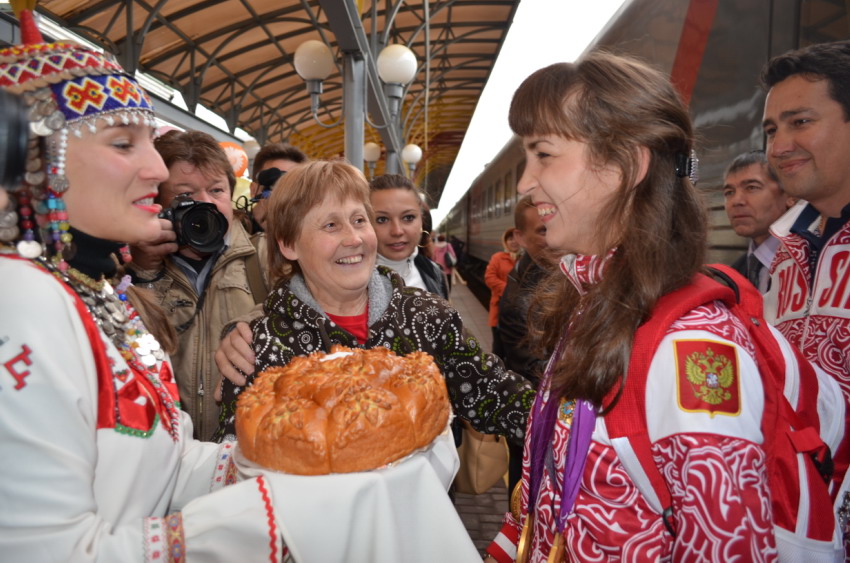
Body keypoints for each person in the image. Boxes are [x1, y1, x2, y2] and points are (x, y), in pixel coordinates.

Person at [484, 53, 843, 562]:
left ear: (626, 164)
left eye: (543, 154)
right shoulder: (594, 305)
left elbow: (725, 546)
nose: (524, 183)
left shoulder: (691, 348)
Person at [0, 15, 288, 560]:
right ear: (40, 160)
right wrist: (272, 519)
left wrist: (289, 459)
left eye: (148, 143)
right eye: (123, 143)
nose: (157, 169)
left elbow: (170, 462)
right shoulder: (20, 298)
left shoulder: (95, 291)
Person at [213, 160, 535, 446]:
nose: (353, 239)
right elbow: (239, 447)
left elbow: (496, 396)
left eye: (359, 220)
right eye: (330, 225)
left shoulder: (427, 317)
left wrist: (573, 430)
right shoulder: (260, 344)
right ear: (288, 244)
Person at [129, 130, 269, 441]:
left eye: (217, 190)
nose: (205, 204)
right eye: (186, 195)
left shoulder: (264, 260)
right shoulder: (126, 271)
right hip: (166, 457)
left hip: (244, 451)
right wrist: (144, 270)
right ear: (157, 204)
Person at [498, 196, 551, 499]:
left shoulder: (549, 275)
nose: (553, 236)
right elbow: (539, 372)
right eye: (543, 230)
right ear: (519, 237)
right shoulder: (523, 299)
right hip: (537, 427)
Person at [722, 150, 796, 293]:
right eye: (729, 192)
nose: (736, 201)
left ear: (790, 195)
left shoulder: (809, 265)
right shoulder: (733, 275)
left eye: (752, 188)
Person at [369, 173, 448, 299]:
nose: (397, 231)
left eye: (408, 217)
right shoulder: (348, 284)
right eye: (382, 219)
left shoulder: (434, 272)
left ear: (422, 221)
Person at [239, 142, 308, 234]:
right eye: (276, 183)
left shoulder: (303, 237)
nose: (285, 193)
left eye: (295, 185)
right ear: (254, 190)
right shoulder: (232, 231)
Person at [484, 227, 519, 357]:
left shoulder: (525, 259)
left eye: (516, 239)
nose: (514, 242)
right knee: (498, 347)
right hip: (499, 310)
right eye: (510, 239)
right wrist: (509, 289)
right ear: (505, 241)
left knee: (515, 349)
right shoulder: (498, 258)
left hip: (519, 313)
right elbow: (489, 278)